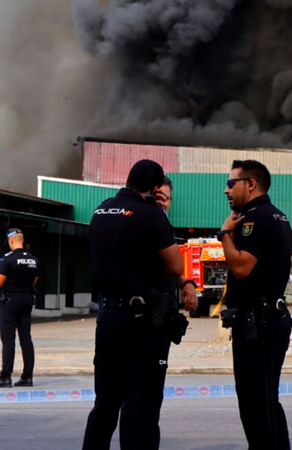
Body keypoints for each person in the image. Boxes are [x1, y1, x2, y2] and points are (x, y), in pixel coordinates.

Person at [82, 160, 198, 450]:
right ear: (156, 188)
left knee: (106, 403)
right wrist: (159, 213)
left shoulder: (101, 210)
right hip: (142, 323)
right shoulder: (151, 215)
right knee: (141, 405)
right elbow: (174, 264)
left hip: (108, 317)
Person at [218, 159, 292, 450]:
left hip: (257, 324)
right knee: (267, 400)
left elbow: (241, 267)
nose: (226, 191)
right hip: (269, 319)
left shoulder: (254, 218)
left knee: (254, 403)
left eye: (230, 183)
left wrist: (224, 234)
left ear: (251, 184)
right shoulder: (276, 215)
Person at [0, 228, 39, 388]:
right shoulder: (33, 259)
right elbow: (34, 280)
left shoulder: (7, 260)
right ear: (22, 240)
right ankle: (27, 377)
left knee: (8, 340)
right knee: (26, 339)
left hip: (10, 301)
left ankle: (5, 377)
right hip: (27, 299)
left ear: (11, 241)